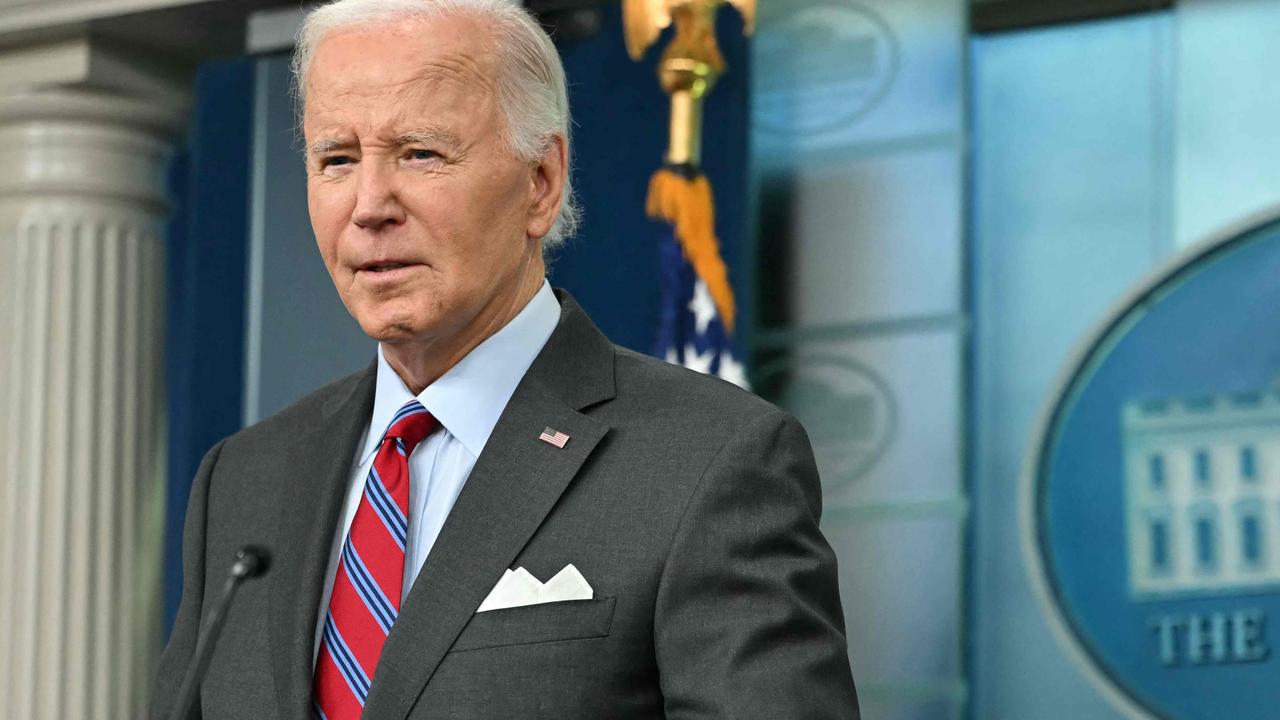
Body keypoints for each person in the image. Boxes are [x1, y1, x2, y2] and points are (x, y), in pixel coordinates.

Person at [151, 0, 860, 717]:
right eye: (336, 159)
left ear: (540, 183)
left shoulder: (708, 461)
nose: (369, 205)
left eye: (420, 153)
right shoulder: (243, 482)